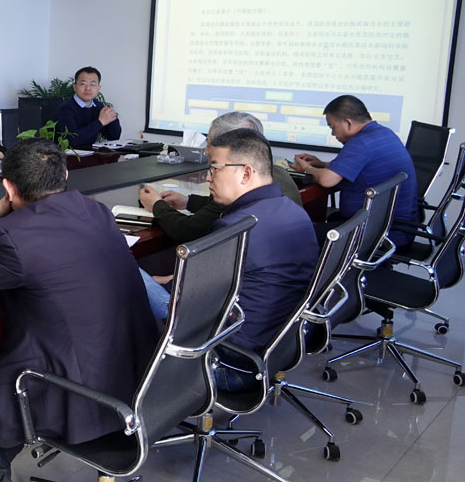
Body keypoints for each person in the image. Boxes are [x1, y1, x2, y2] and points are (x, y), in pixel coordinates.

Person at [0, 138, 159, 482]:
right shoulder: (97, 211)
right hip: (135, 384)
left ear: (8, 188)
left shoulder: (11, 236)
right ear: (65, 174)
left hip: (75, 398)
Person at [145, 129, 318, 388]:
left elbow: (188, 303)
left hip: (226, 362)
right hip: (280, 346)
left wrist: (166, 284)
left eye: (215, 168)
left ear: (246, 173)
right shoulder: (293, 211)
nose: (208, 177)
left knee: (127, 273)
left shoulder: (236, 228)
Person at [138, 111, 302, 244]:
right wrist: (189, 201)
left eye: (209, 144)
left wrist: (156, 205)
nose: (206, 150)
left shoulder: (237, 188)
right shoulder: (276, 176)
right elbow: (218, 209)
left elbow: (187, 231)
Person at [290, 94, 418, 247]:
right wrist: (321, 164)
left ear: (348, 123)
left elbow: (327, 180)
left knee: (296, 234)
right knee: (327, 220)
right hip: (396, 226)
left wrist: (307, 168)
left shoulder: (360, 142)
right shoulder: (383, 133)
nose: (333, 134)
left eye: (332, 127)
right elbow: (362, 166)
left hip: (378, 233)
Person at [54, 66, 121, 147]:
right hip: (66, 153)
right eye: (83, 84)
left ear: (98, 88)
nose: (88, 88)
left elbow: (113, 137)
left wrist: (112, 118)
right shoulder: (65, 108)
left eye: (92, 84)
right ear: (75, 87)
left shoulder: (98, 106)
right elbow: (70, 141)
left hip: (91, 152)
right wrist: (100, 122)